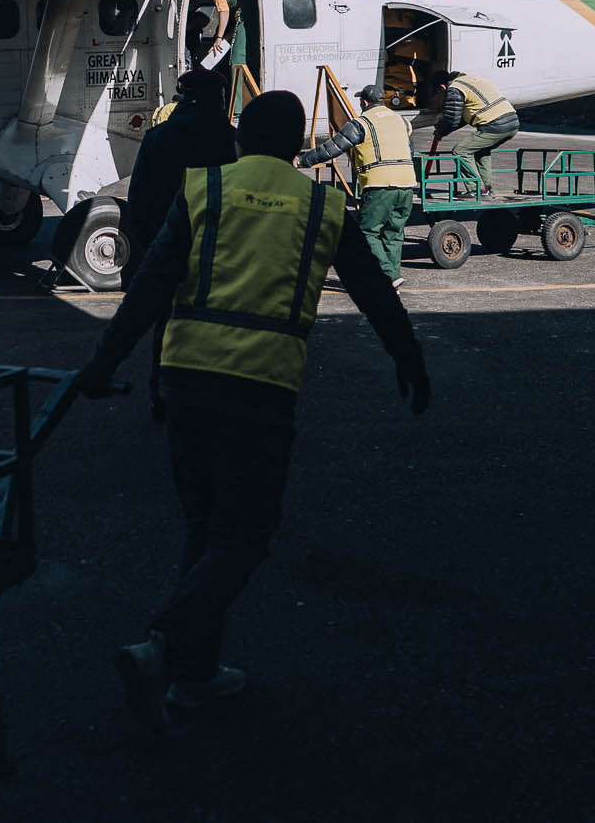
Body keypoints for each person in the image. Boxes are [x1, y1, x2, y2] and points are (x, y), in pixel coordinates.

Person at [76, 90, 431, 730]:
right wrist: (409, 359)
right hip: (261, 388)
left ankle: (192, 675)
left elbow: (150, 286)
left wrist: (102, 366)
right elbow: (374, 289)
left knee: (204, 529)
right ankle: (164, 645)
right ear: (298, 146)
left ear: (240, 140)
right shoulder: (321, 203)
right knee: (244, 533)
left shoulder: (204, 189)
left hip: (184, 380)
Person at [119, 66, 240, 416]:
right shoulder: (229, 139)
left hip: (166, 245)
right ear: (217, 99)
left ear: (184, 97)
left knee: (167, 324)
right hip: (220, 249)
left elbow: (138, 196)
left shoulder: (158, 137)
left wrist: (151, 242)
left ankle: (162, 394)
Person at [297, 84, 419, 287]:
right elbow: (410, 150)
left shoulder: (362, 123)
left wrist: (303, 160)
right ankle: (391, 279)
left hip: (380, 184)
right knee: (394, 233)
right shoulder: (402, 121)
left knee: (366, 232)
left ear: (364, 102)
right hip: (407, 183)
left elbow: (332, 147)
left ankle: (389, 275)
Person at [433, 69, 519, 194]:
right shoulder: (469, 80)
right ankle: (486, 188)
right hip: (511, 122)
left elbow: (452, 118)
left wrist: (441, 132)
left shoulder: (454, 89)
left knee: (460, 151)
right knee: (480, 151)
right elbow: (462, 117)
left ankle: (476, 188)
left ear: (441, 87)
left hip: (495, 125)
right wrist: (443, 128)